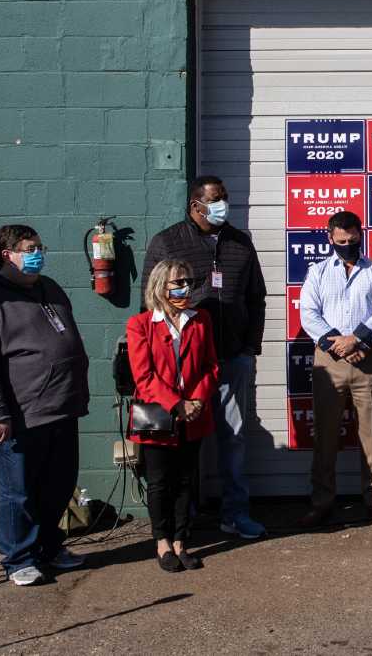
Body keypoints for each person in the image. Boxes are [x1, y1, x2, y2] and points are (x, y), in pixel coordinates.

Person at [142, 175, 267, 540]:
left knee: (235, 437)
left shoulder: (239, 242)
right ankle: (184, 519)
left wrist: (249, 346)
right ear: (195, 205)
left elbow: (256, 297)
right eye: (215, 199)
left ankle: (235, 513)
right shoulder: (168, 241)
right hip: (185, 364)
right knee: (181, 441)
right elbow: (149, 303)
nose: (222, 205)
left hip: (230, 358)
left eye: (224, 198)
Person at [0, 225, 89, 586]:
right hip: (21, 416)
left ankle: (50, 548)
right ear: (8, 254)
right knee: (18, 492)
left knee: (58, 487)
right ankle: (18, 558)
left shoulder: (49, 288)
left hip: (63, 408)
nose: (39, 253)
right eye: (30, 248)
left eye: (40, 246)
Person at [298, 209, 372, 527]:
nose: (346, 245)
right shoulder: (317, 273)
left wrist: (356, 340)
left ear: (360, 234)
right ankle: (322, 501)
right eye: (340, 241)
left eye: (352, 240)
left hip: (367, 359)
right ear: (330, 238)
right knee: (325, 436)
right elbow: (309, 314)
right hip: (329, 363)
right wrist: (338, 344)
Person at [127, 261, 220, 572]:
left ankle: (181, 541)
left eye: (188, 281)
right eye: (177, 282)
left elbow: (211, 366)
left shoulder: (201, 319)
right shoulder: (140, 324)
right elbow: (144, 377)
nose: (185, 288)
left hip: (193, 414)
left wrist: (196, 400)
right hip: (159, 415)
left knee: (185, 480)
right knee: (159, 482)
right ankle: (162, 542)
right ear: (160, 287)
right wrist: (177, 403)